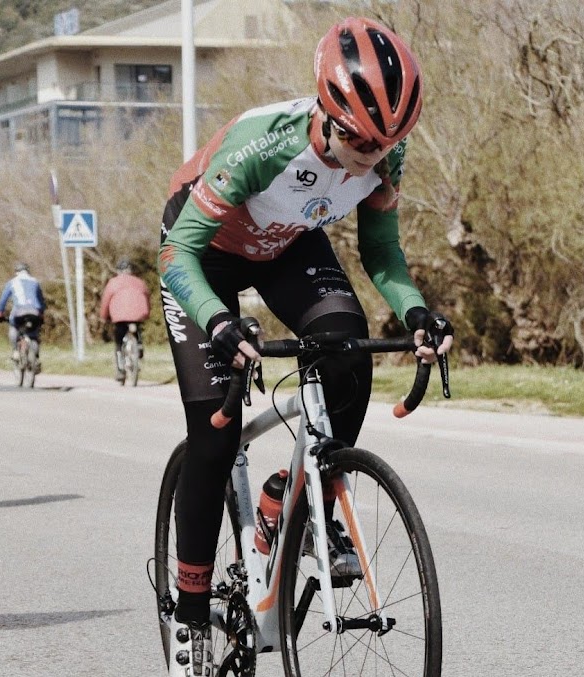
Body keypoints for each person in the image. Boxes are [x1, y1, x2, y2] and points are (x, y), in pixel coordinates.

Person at [158, 16, 454, 677]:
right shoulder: (262, 143)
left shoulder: (385, 153)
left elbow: (382, 251)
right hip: (201, 254)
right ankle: (189, 613)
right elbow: (177, 256)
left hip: (285, 246)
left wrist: (414, 310)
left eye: (386, 145)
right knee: (215, 432)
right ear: (327, 111)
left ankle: (288, 500)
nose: (370, 157)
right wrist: (216, 321)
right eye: (359, 141)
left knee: (347, 352)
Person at [99, 257, 151, 381]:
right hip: (138, 313)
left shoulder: (113, 282)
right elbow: (148, 298)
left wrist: (103, 317)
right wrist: (147, 313)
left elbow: (105, 301)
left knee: (119, 342)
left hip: (119, 316)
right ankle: (138, 346)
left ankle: (121, 370)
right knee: (137, 330)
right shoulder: (140, 282)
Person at [0, 263, 46, 371]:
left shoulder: (12, 282)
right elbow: (42, 301)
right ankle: (36, 358)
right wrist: (41, 315)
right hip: (35, 312)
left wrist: (0, 313)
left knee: (13, 326)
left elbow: (3, 300)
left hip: (19, 312)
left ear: (16, 272)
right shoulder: (35, 282)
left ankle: (15, 351)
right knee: (33, 334)